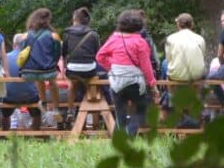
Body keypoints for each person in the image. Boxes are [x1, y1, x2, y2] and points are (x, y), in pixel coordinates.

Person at [96, 10, 160, 138]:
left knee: (120, 113)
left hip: (116, 81)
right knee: (142, 109)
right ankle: (130, 135)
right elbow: (146, 67)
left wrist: (112, 67)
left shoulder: (113, 38)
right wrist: (153, 86)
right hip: (135, 82)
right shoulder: (140, 42)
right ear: (139, 24)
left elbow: (100, 56)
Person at [1, 33, 42, 129]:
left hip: (9, 96)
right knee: (37, 113)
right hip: (30, 95)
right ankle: (35, 132)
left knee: (5, 114)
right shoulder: (32, 58)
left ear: (14, 44)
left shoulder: (5, 58)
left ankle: (4, 132)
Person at [62, 7, 101, 106]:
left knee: (72, 84)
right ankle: (92, 114)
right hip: (89, 70)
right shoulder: (93, 34)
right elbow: (98, 53)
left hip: (72, 70)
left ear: (75, 19)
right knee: (92, 84)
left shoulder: (67, 33)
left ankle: (70, 110)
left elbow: (64, 53)